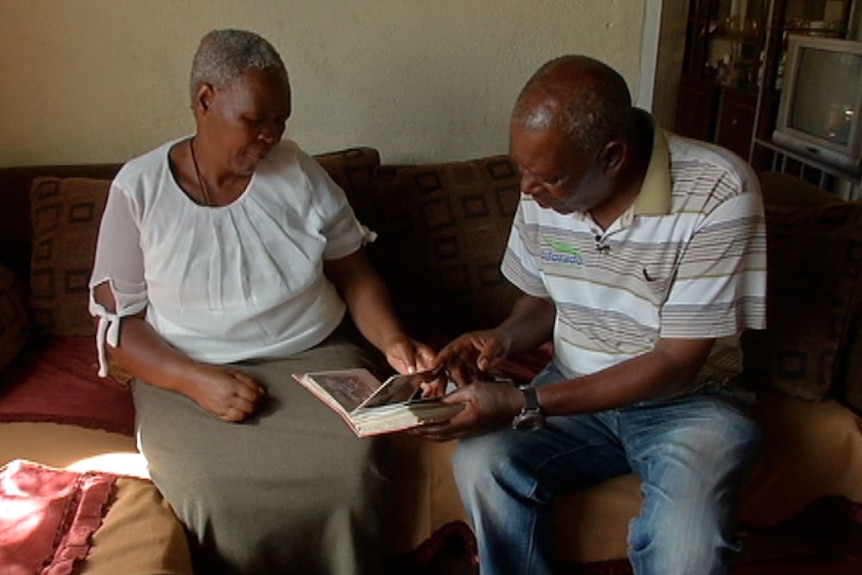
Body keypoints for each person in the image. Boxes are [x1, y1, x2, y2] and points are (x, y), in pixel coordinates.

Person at [88, 29, 436, 575]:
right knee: (210, 490)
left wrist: (391, 340)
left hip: (314, 355)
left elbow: (355, 273)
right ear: (205, 100)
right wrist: (192, 380)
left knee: (353, 468)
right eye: (256, 120)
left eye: (281, 120)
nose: (271, 136)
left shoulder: (297, 172)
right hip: (186, 368)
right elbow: (120, 330)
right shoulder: (139, 189)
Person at [418, 55, 767, 575]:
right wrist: (502, 339)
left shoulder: (718, 190)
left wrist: (523, 399)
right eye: (521, 170)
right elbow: (539, 301)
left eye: (548, 179)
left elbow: (676, 361)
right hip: (573, 386)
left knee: (687, 548)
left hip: (689, 404)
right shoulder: (542, 189)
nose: (527, 191)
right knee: (482, 462)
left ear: (612, 157)